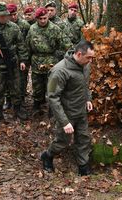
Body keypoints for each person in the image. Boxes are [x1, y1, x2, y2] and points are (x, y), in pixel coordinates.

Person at [41, 40, 94, 176]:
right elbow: (52, 97)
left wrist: (88, 99)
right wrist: (64, 122)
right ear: (78, 54)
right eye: (89, 57)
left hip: (81, 110)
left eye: (92, 57)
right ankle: (48, 156)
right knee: (62, 141)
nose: (91, 60)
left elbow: (85, 84)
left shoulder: (85, 65)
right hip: (66, 113)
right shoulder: (59, 71)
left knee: (83, 139)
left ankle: (83, 167)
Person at [25, 7, 71, 116]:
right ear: (37, 18)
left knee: (52, 87)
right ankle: (37, 106)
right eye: (40, 18)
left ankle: (52, 110)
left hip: (51, 62)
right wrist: (25, 61)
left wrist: (72, 56)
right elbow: (27, 47)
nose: (42, 20)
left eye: (45, 18)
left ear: (47, 17)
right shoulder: (32, 29)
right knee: (37, 86)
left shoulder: (55, 29)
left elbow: (66, 44)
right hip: (36, 61)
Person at [5, 3, 31, 107]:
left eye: (15, 14)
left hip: (22, 56)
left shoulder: (25, 25)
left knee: (22, 79)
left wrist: (25, 58)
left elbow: (29, 42)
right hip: (9, 57)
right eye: (11, 15)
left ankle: (21, 98)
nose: (13, 16)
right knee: (8, 78)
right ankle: (8, 100)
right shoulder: (4, 25)